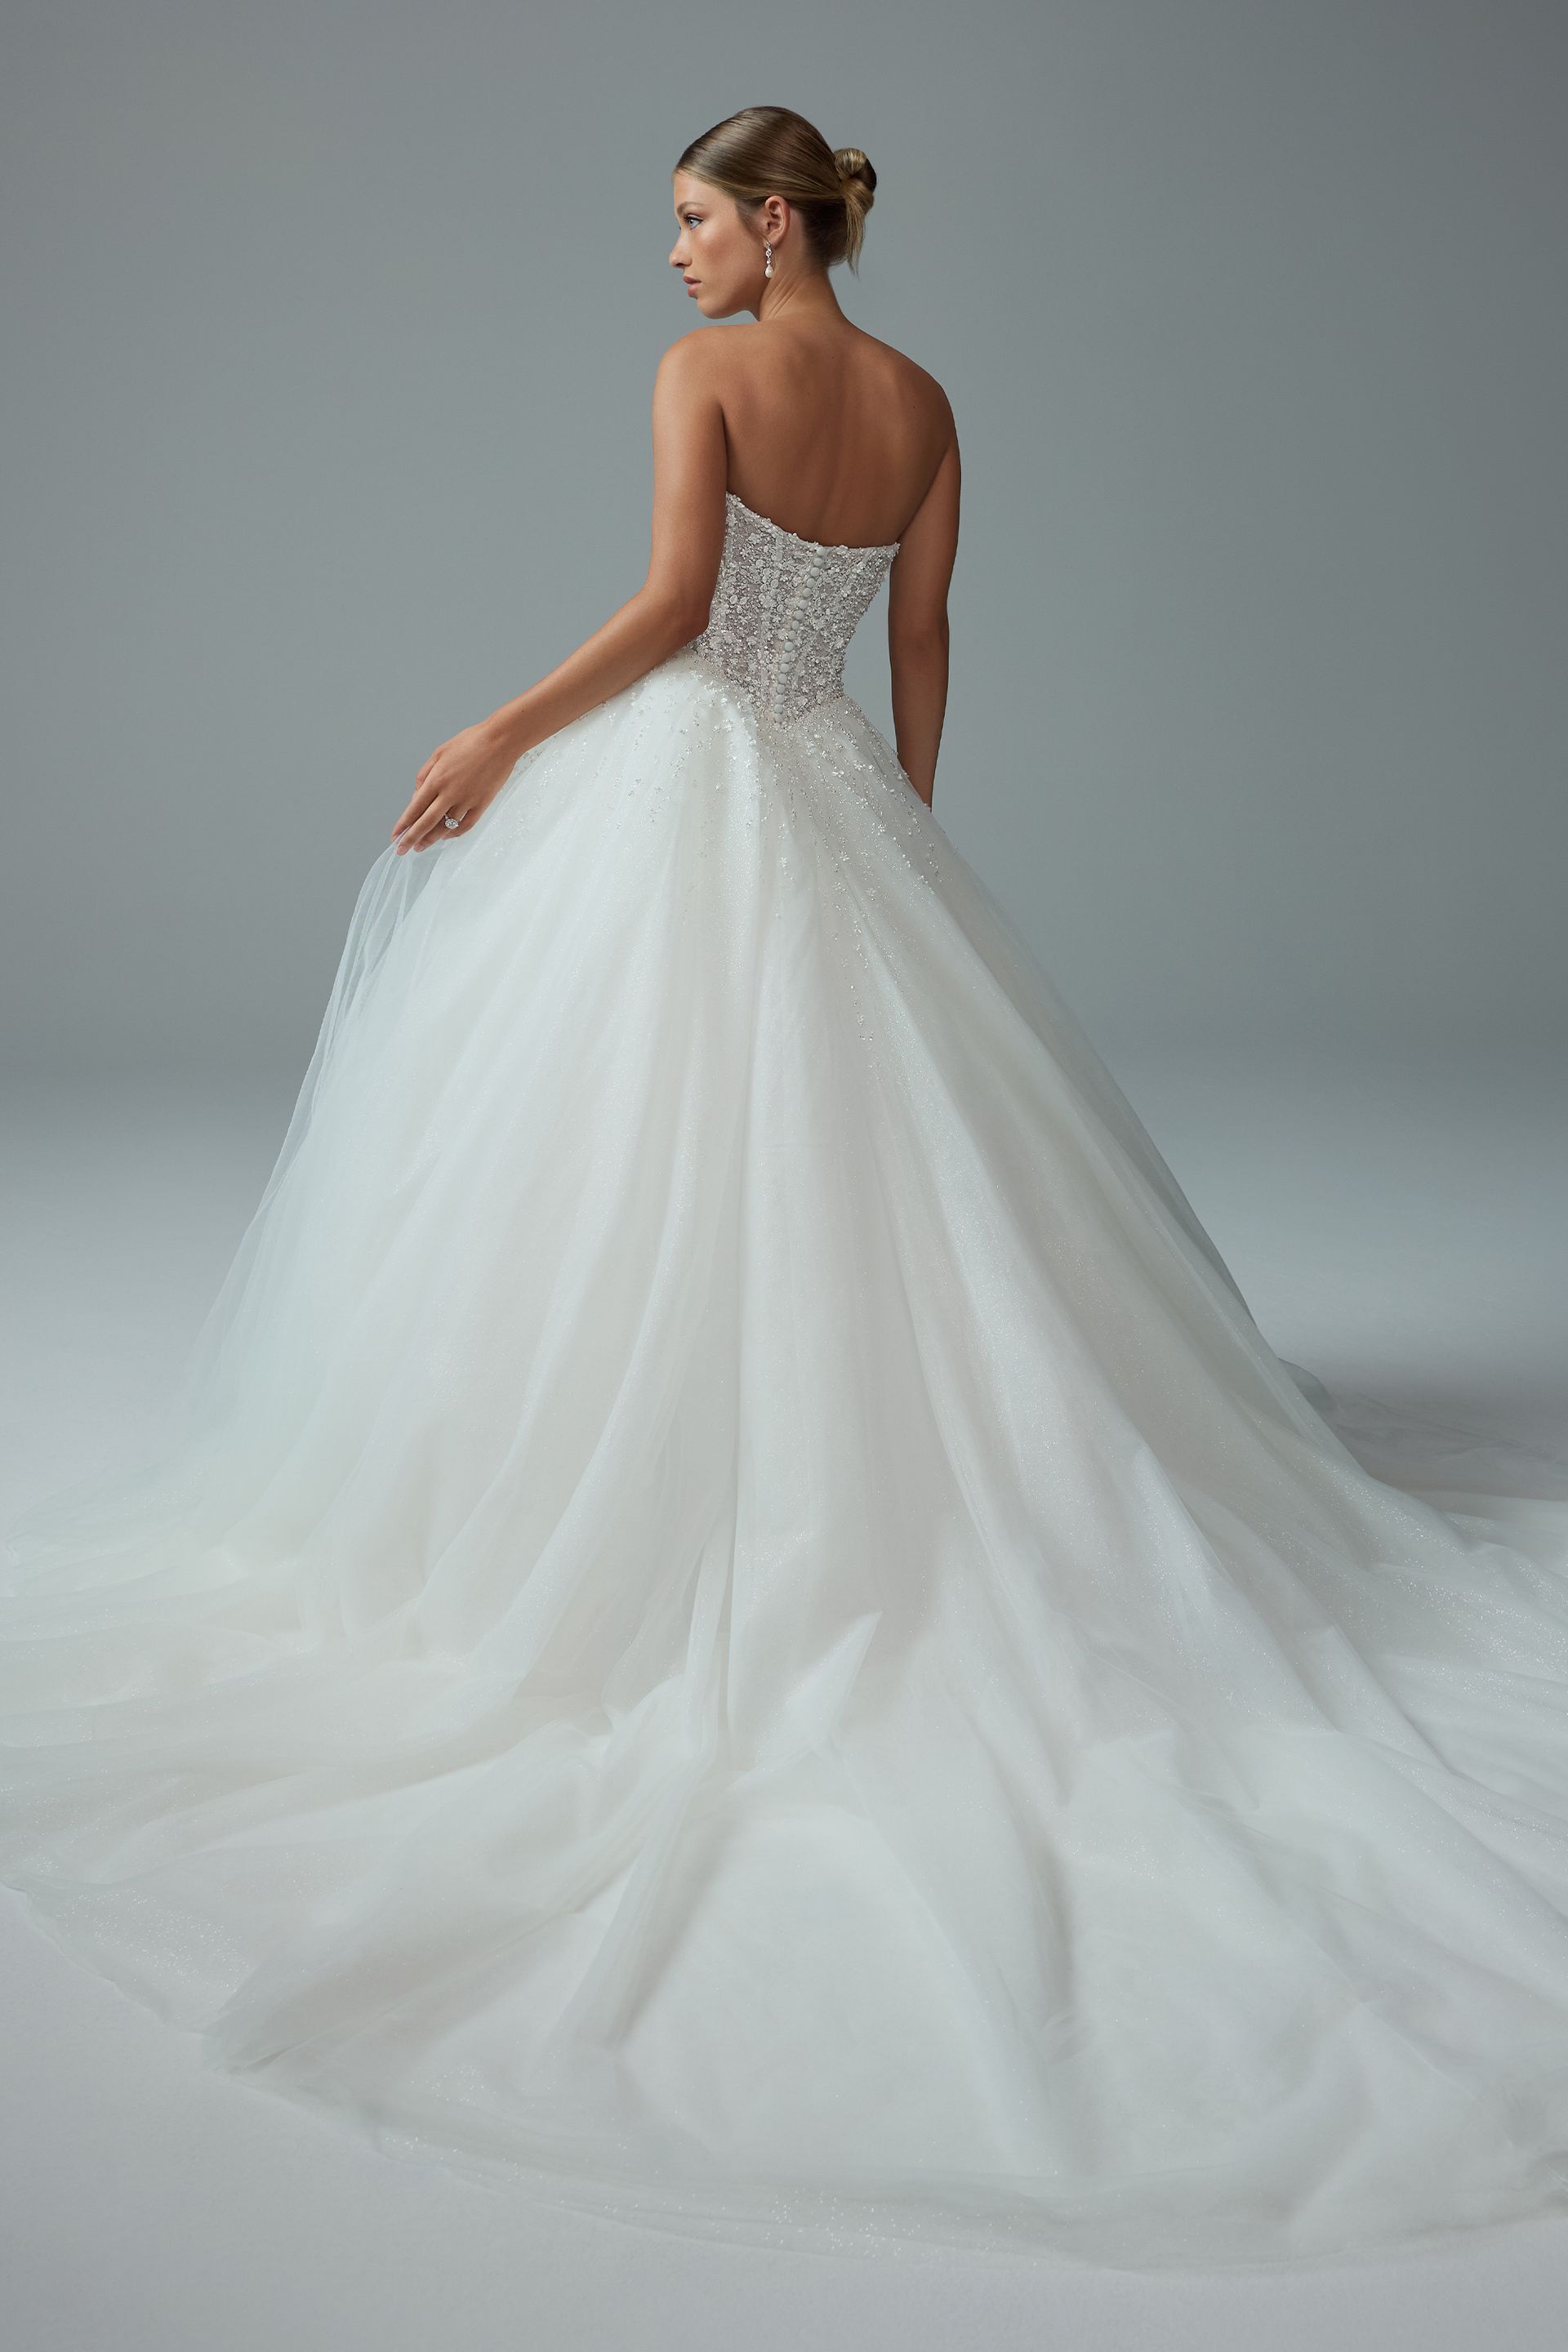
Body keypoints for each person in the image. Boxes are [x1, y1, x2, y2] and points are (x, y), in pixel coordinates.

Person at [2, 103, 1567, 2276]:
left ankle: (624, 1532)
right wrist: (901, 845)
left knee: (616, 1187)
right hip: (832, 790)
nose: (670, 262)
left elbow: (669, 608)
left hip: (684, 784)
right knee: (884, 1205)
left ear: (768, 221)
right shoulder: (922, 400)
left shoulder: (707, 377)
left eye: (687, 223)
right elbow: (923, 644)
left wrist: (491, 734)